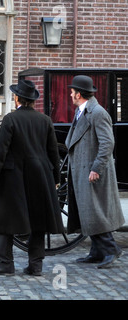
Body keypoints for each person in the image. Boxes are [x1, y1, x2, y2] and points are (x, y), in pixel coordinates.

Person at [0, 79, 64, 276]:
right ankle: (35, 265)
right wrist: (56, 178)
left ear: (18, 98)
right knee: (38, 221)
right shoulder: (45, 120)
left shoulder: (10, 119)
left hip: (13, 177)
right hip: (41, 175)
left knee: (3, 220)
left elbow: (0, 152)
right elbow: (53, 152)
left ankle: (5, 264)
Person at [65, 75, 125, 269]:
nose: (71, 94)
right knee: (88, 212)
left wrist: (96, 168)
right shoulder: (82, 111)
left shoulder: (98, 113)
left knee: (96, 212)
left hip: (93, 172)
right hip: (82, 169)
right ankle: (97, 251)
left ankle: (110, 249)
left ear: (79, 94)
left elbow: (108, 143)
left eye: (73, 91)